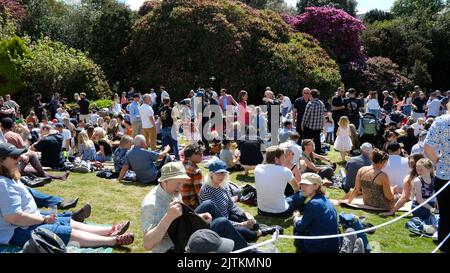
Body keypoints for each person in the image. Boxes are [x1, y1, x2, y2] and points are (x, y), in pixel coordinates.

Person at [0, 143, 134, 248]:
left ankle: (109, 230)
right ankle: (112, 240)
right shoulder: (3, 184)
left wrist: (42, 218)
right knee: (63, 231)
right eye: (14, 156)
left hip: (25, 223)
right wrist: (43, 220)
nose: (19, 158)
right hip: (16, 231)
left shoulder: (8, 178)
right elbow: (14, 217)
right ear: (1, 161)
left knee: (64, 221)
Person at [141, 162, 249, 253]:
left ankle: (242, 239)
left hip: (181, 232)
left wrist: (197, 217)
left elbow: (179, 218)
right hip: (173, 246)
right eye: (178, 183)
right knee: (221, 223)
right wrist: (168, 217)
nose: (181, 188)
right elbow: (148, 244)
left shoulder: (172, 190)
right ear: (164, 181)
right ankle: (247, 248)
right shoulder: (152, 204)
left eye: (182, 183)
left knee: (209, 204)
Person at [200, 160, 282, 242]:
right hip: (218, 223)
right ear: (211, 174)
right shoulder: (207, 190)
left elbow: (231, 205)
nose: (221, 176)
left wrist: (245, 213)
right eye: (218, 173)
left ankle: (258, 227)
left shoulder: (224, 185)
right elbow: (216, 218)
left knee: (254, 224)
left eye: (223, 173)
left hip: (228, 215)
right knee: (245, 232)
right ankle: (261, 232)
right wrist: (241, 225)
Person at [424, 105, 450, 252]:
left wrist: (438, 161)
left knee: (446, 213)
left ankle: (445, 245)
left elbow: (427, 147)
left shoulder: (441, 121)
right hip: (445, 175)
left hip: (445, 174)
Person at [293, 173, 340, 253]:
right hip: (333, 246)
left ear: (316, 186)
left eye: (306, 184)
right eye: (302, 184)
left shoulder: (314, 203)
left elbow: (300, 227)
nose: (302, 187)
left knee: (297, 230)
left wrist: (296, 218)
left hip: (317, 248)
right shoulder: (324, 199)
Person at [255, 146, 303, 217]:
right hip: (281, 212)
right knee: (301, 194)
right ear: (276, 159)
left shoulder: (257, 168)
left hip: (261, 210)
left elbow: (265, 163)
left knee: (287, 198)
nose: (284, 159)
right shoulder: (285, 171)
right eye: (283, 157)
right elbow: (296, 188)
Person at [411, 158, 438, 224]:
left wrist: (436, 202)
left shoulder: (434, 179)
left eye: (421, 169)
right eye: (417, 168)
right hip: (419, 206)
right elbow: (419, 199)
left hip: (431, 204)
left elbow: (436, 193)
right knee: (429, 222)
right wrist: (432, 209)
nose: (419, 170)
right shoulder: (417, 181)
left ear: (430, 169)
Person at [301, 89, 326, 154]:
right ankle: (317, 153)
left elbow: (306, 116)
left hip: (309, 127)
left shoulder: (310, 104)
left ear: (311, 95)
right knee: (317, 141)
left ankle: (306, 153)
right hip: (318, 127)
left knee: (306, 141)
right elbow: (324, 114)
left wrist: (302, 124)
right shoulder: (321, 103)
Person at [181, 144, 204, 209]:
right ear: (193, 155)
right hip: (191, 206)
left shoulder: (178, 166)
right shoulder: (196, 171)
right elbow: (200, 193)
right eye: (200, 154)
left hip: (178, 203)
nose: (202, 156)